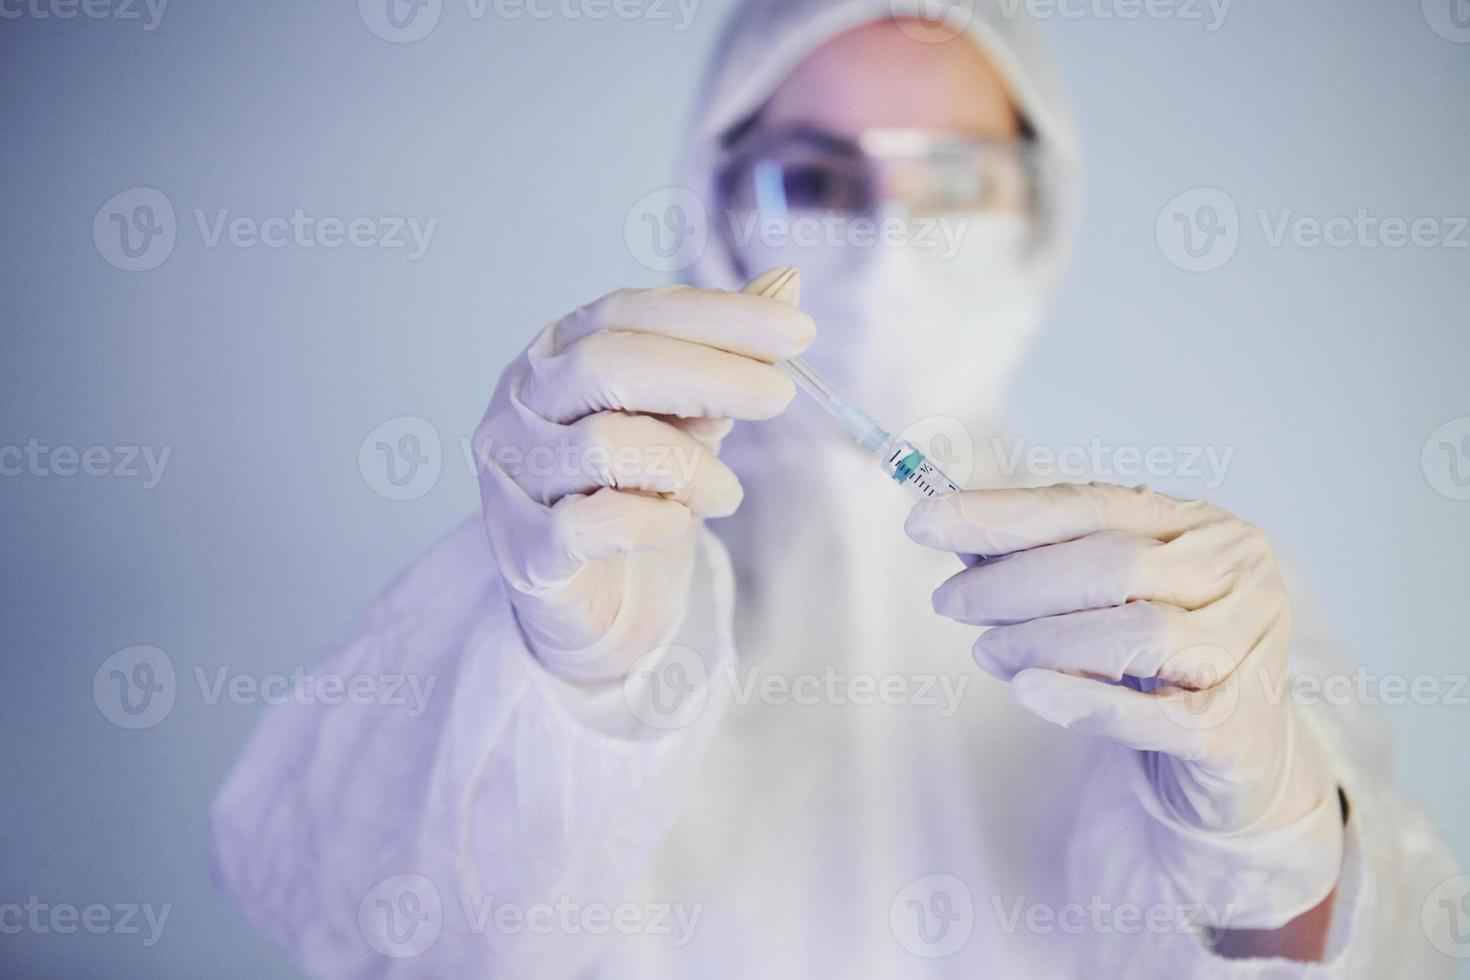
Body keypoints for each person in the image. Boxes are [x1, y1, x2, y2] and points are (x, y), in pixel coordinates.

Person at [210, 0, 1460, 976]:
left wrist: (1268, 828)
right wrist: (564, 680)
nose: (891, 233)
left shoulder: (1179, 603)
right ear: (717, 203)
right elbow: (359, 925)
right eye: (815, 177)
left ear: (1043, 208)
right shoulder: (583, 555)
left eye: (959, 177)